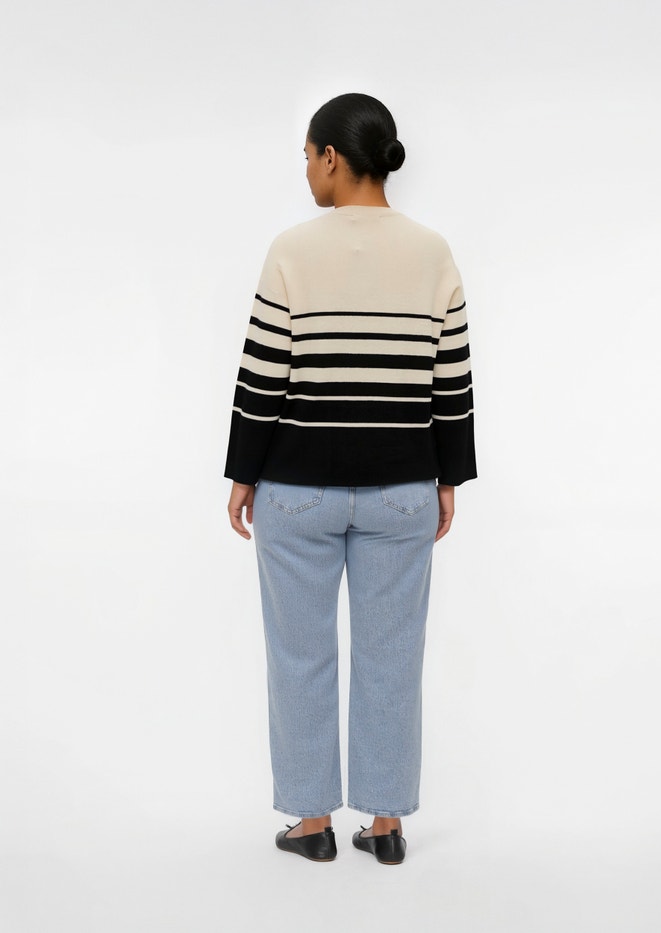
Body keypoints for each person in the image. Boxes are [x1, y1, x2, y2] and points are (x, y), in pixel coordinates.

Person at [224, 92, 476, 865]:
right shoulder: (433, 251)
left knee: (299, 656)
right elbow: (451, 380)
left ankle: (311, 825)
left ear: (333, 157)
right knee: (391, 658)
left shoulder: (292, 250)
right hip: (403, 487)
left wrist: (242, 473)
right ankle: (386, 824)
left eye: (308, 156)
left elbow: (263, 375)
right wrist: (448, 476)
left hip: (297, 487)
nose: (306, 169)